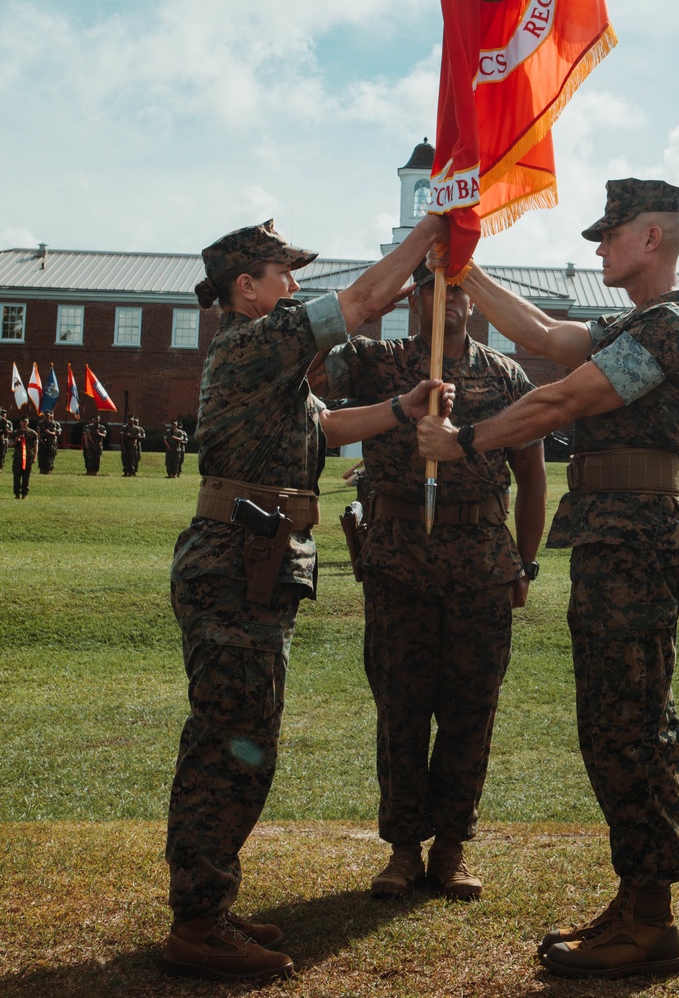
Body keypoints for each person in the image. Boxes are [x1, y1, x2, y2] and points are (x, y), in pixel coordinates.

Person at [419, 179, 679, 981]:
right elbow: (548, 335)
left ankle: (649, 918)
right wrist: (467, 266)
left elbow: (563, 398)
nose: (598, 247)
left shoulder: (675, 328)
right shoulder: (642, 324)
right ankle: (637, 898)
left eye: (610, 235)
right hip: (616, 537)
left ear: (650, 238)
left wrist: (465, 441)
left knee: (629, 724)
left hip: (636, 541)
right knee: (615, 720)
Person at [163, 213, 447, 982]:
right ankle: (198, 920)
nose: (295, 285)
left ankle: (208, 903)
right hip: (237, 563)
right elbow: (355, 306)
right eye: (282, 273)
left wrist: (403, 408)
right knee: (231, 744)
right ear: (244, 288)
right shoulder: (255, 342)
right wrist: (430, 232)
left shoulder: (272, 368)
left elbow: (327, 427)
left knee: (242, 737)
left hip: (253, 563)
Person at [317, 259, 547, 901]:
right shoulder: (373, 361)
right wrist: (381, 291)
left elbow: (533, 477)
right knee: (400, 707)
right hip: (398, 563)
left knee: (472, 708)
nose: (446, 297)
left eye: (456, 286)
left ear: (472, 299)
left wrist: (525, 565)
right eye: (430, 285)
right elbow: (305, 363)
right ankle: (401, 850)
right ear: (412, 297)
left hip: (480, 564)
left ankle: (451, 847)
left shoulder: (506, 375)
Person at [12, 416, 38, 499]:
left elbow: (35, 446)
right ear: (20, 422)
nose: (24, 423)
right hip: (17, 458)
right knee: (16, 476)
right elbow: (10, 444)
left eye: (25, 421)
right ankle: (17, 494)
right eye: (22, 421)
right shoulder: (16, 432)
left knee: (26, 476)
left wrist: (35, 457)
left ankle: (24, 494)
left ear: (28, 422)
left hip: (28, 458)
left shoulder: (33, 433)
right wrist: (16, 441)